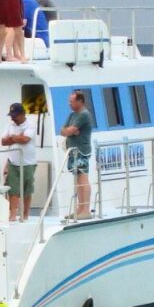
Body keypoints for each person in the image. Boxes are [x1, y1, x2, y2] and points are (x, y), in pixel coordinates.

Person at [60, 90, 94, 220]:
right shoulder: (72, 115)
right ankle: (80, 209)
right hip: (73, 151)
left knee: (82, 178)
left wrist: (70, 131)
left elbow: (70, 130)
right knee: (77, 179)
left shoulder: (84, 115)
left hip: (81, 150)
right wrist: (69, 131)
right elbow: (63, 131)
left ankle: (85, 209)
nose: (69, 104)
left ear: (80, 101)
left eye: (72, 101)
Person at [1, 102, 37, 222]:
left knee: (27, 190)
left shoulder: (30, 125)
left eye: (15, 115)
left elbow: (25, 139)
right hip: (12, 162)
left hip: (28, 163)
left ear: (22, 114)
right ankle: (13, 215)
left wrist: (12, 138)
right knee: (13, 189)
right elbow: (3, 141)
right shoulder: (9, 126)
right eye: (11, 115)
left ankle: (25, 214)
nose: (13, 118)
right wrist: (16, 137)